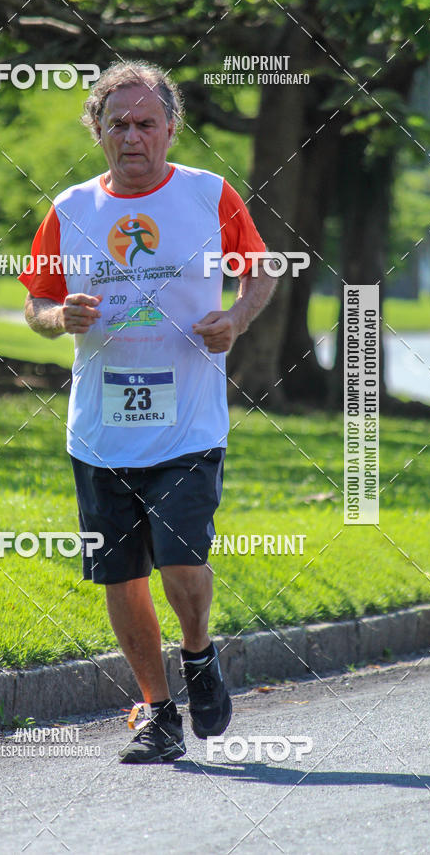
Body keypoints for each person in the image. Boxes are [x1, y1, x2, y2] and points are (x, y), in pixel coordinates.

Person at [19, 60, 277, 764]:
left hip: (188, 422)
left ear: (171, 128)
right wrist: (57, 316)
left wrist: (237, 320)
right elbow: (36, 303)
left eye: (145, 123)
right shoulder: (71, 209)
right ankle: (158, 713)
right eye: (118, 124)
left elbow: (259, 270)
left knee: (179, 559)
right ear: (97, 131)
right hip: (100, 429)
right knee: (121, 574)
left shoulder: (209, 195)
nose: (132, 136)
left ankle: (198, 653)